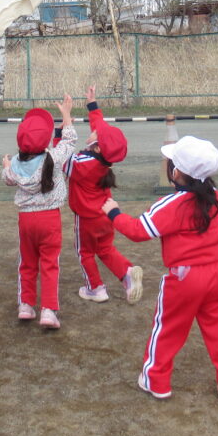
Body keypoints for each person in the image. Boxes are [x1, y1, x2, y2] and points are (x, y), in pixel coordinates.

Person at [102, 135, 218, 411]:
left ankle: (156, 381)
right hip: (217, 275)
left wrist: (114, 213)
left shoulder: (173, 203)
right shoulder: (214, 196)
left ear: (177, 172)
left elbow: (138, 231)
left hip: (184, 278)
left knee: (167, 329)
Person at [1, 95, 77, 329]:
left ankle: (26, 304)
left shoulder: (15, 162)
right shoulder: (53, 158)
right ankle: (48, 310)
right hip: (49, 218)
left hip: (26, 219)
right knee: (49, 263)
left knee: (27, 262)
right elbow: (70, 141)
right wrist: (66, 115)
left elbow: (7, 179)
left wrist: (6, 167)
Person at [65, 85, 142, 304]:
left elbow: (61, 158)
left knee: (85, 252)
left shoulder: (84, 165)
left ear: (97, 147)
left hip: (87, 218)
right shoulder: (103, 159)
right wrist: (92, 105)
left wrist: (65, 124)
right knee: (105, 248)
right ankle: (127, 274)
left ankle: (95, 289)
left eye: (96, 133)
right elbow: (100, 127)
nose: (95, 130)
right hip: (106, 212)